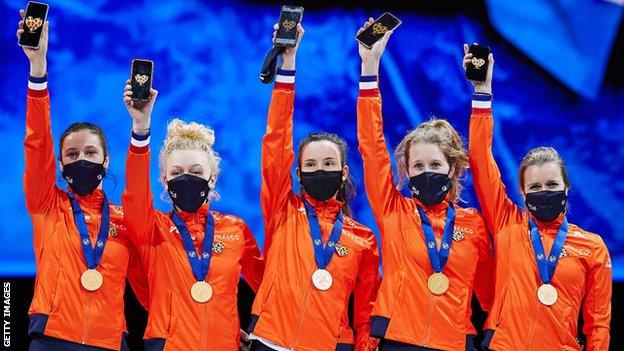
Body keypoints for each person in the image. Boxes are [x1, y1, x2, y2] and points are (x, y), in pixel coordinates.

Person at [356, 19, 494, 351]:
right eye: (418, 165)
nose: (426, 171)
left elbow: (491, 294)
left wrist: (482, 94)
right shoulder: (394, 210)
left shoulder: (472, 224)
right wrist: (370, 67)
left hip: (456, 343)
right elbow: (372, 148)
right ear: (406, 169)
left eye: (435, 165)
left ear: (453, 168)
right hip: (398, 340)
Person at [465, 43, 612, 350]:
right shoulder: (507, 223)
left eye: (550, 184)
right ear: (522, 192)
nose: (543, 192)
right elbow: (480, 159)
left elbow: (598, 323)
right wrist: (482, 92)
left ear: (566, 187)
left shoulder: (592, 248)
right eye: (534, 187)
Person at [18, 10, 149, 351]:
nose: (81, 160)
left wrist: (140, 127)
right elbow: (37, 145)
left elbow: (153, 289)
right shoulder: (47, 205)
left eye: (90, 153)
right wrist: (38, 70)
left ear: (106, 161)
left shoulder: (125, 220)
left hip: (109, 342)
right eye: (71, 155)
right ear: (60, 165)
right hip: (51, 339)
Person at [247, 23, 381, 351]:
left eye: (328, 165)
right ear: (297, 172)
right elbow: (276, 141)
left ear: (344, 172)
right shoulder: (282, 208)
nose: (319, 171)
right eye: (310, 165)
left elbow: (366, 309)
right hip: (270, 341)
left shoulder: (362, 239)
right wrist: (288, 65)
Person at [121, 78, 264, 350]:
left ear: (212, 177)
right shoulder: (153, 228)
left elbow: (269, 286)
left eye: (196, 172)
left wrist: (262, 331)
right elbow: (135, 194)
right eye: (176, 173)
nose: (186, 179)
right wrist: (140, 126)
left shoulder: (235, 229)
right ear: (164, 181)